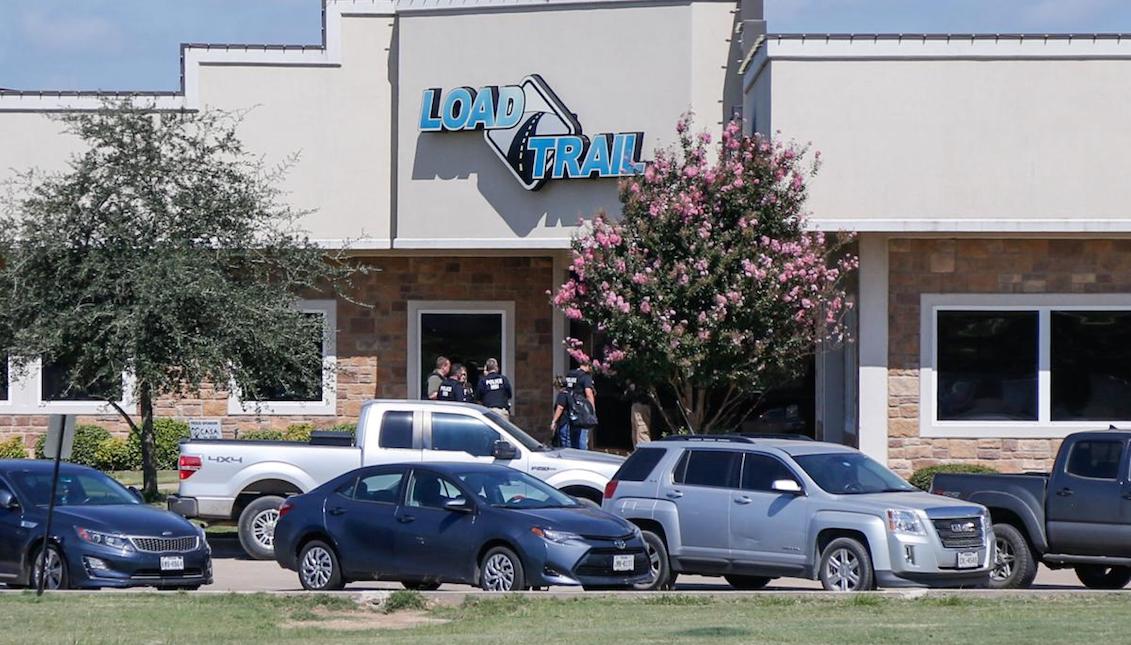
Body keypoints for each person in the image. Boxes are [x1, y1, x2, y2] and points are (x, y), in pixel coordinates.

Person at [549, 376, 572, 448]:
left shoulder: (562, 394)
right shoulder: (570, 393)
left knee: (565, 441)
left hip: (564, 422)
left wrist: (554, 421)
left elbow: (560, 408)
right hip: (568, 421)